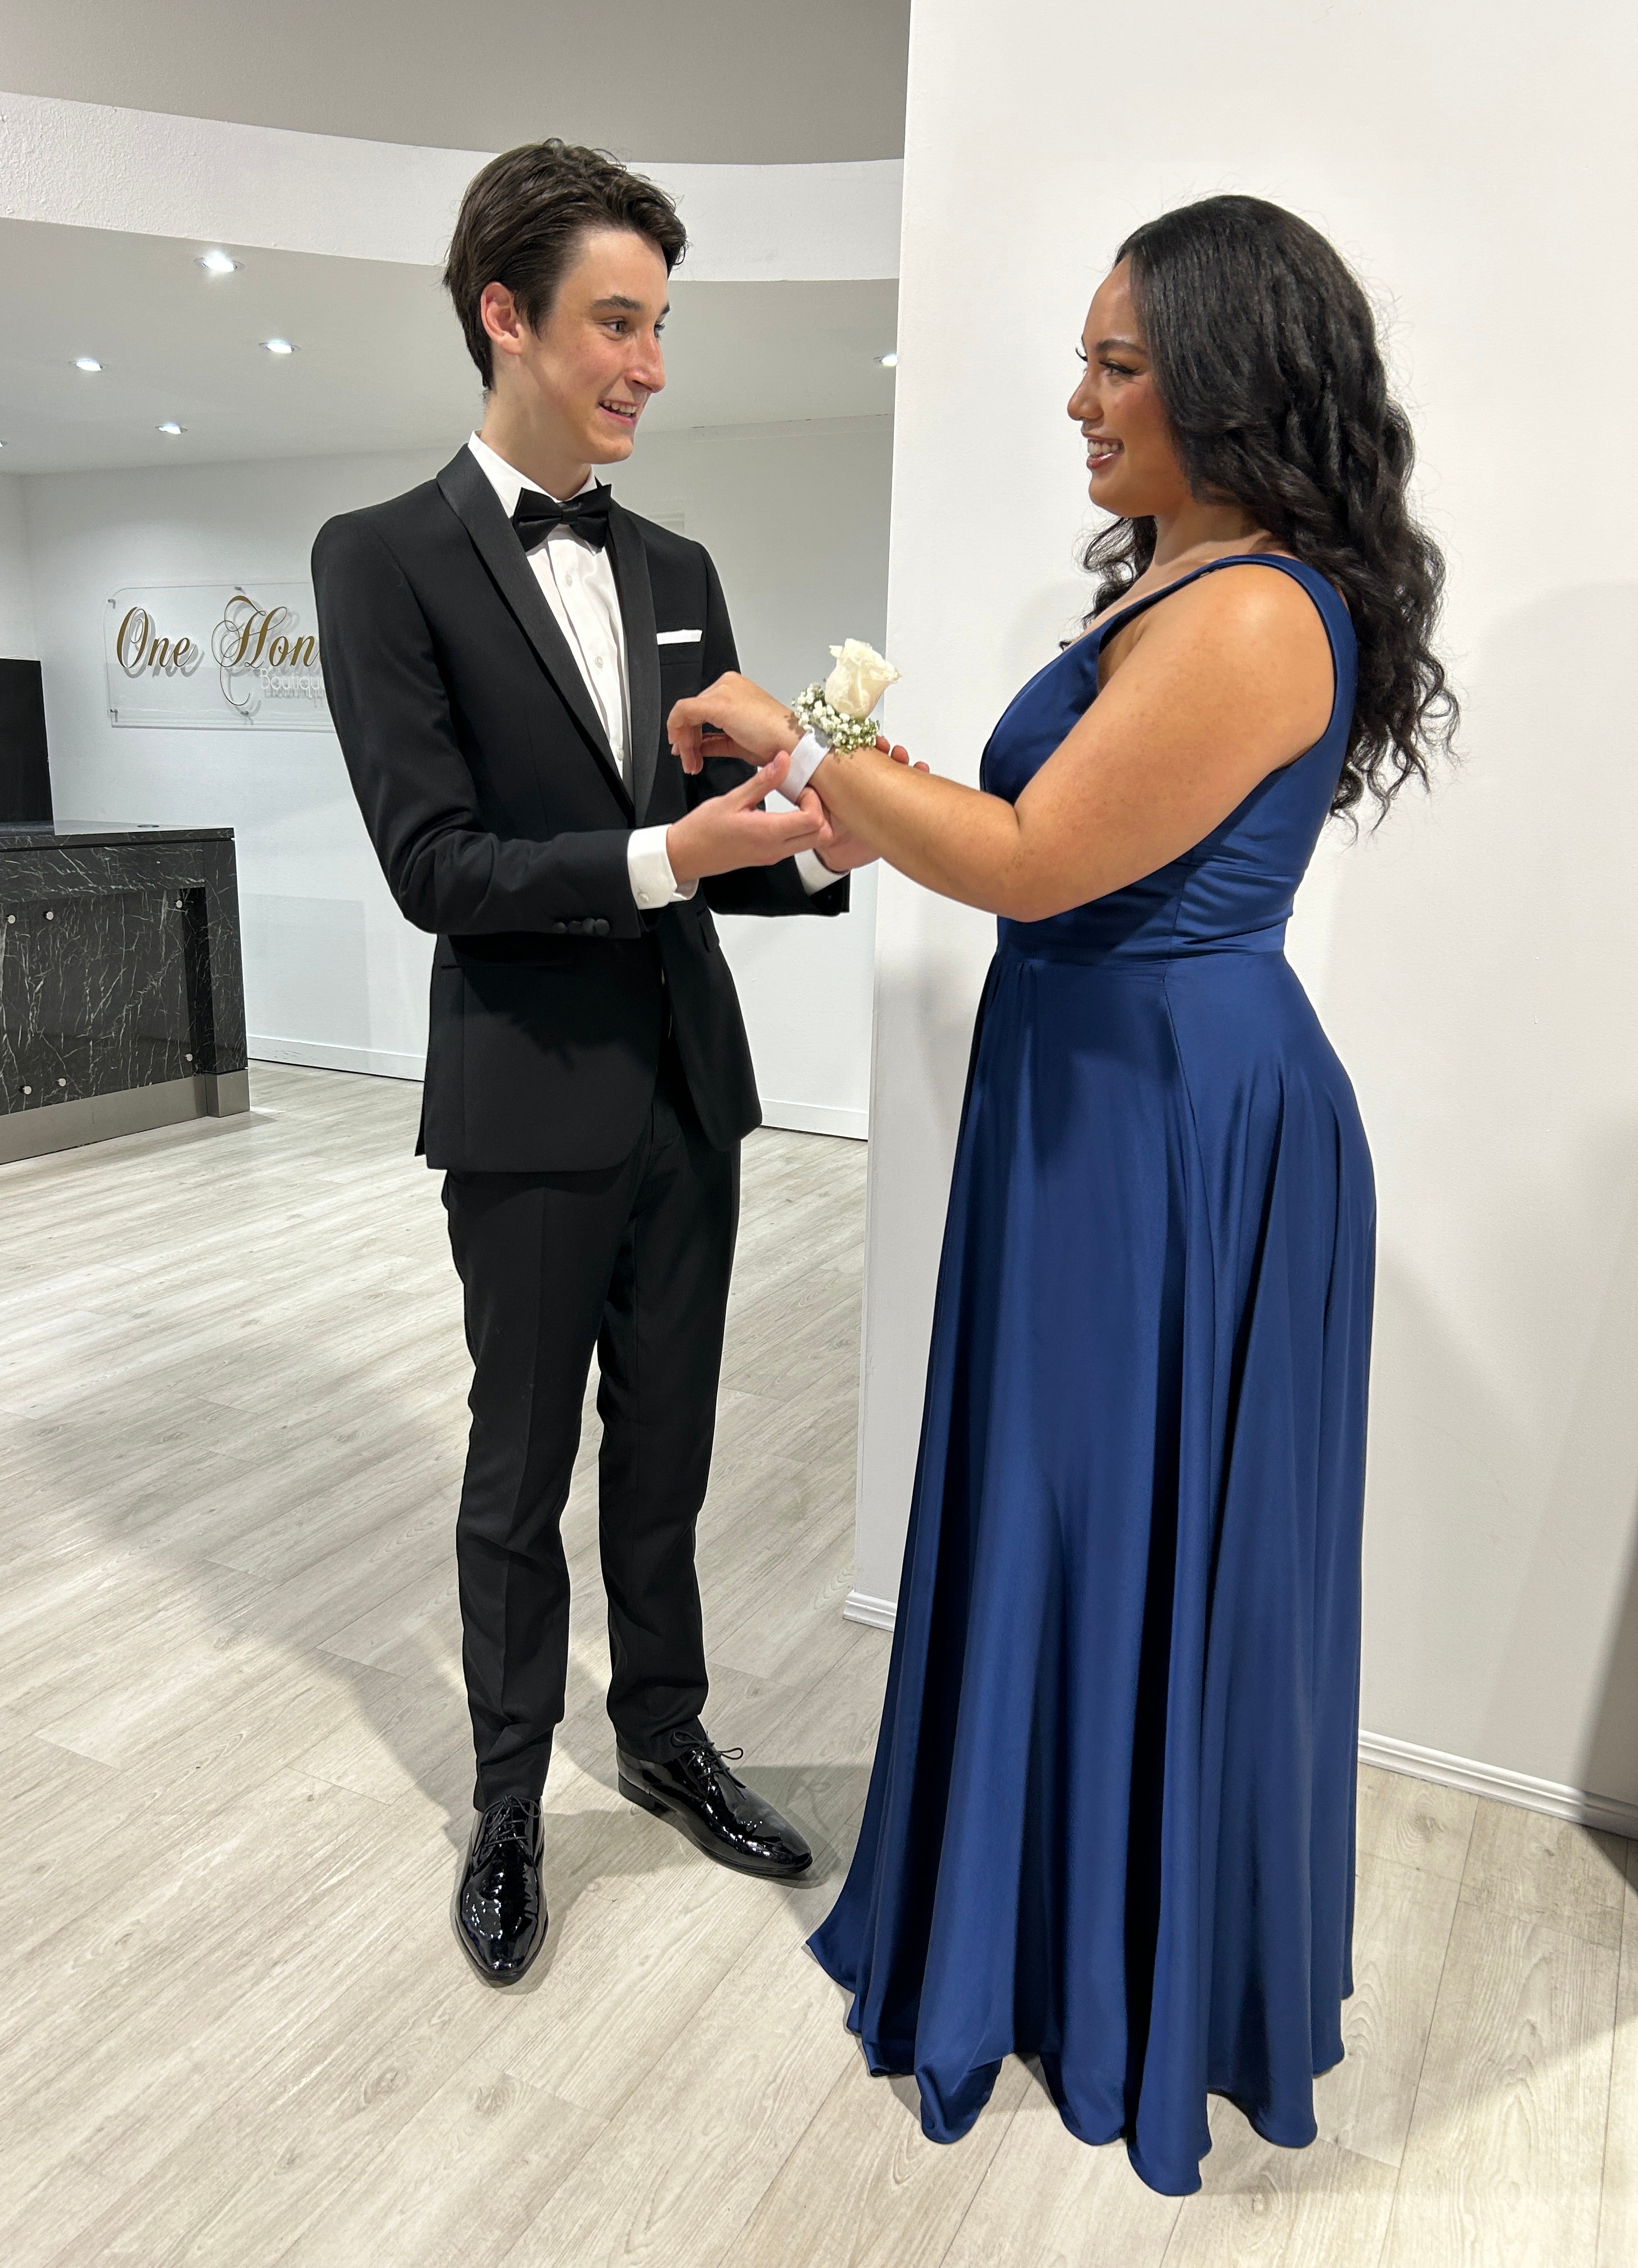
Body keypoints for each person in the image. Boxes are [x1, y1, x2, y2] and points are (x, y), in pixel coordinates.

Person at [666, 195, 1456, 2194]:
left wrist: (802, 734)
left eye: (1121, 365)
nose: (1082, 400)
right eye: (1086, 360)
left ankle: (1117, 1968)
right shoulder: (1169, 582)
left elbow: (1029, 862)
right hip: (1095, 1096)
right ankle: (1045, 1926)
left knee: (1120, 1518)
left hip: (1173, 1123)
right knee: (1064, 1509)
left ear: (1233, 385)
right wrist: (859, 787)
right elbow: (1033, 832)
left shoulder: (1260, 611)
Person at [312, 141, 880, 1988]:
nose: (651, 366)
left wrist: (819, 846)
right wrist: (667, 856)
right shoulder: (380, 559)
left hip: (689, 1095)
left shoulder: (680, 567)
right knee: (519, 1470)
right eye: (618, 324)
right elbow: (436, 868)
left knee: (671, 1450)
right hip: (526, 1100)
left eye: (660, 326)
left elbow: (715, 848)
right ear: (507, 315)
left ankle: (665, 1734)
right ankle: (504, 1804)